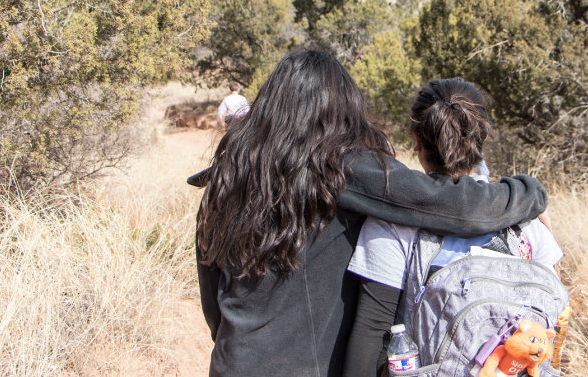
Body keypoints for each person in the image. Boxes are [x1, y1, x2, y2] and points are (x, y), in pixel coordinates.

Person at [194, 50, 550, 377]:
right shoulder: (343, 170)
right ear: (342, 110)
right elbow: (451, 204)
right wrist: (528, 193)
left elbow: (214, 303)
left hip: (234, 362)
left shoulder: (226, 177)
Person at [343, 78, 564, 377]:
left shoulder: (392, 222)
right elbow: (554, 314)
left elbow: (373, 330)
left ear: (417, 141)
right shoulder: (525, 218)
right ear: (482, 141)